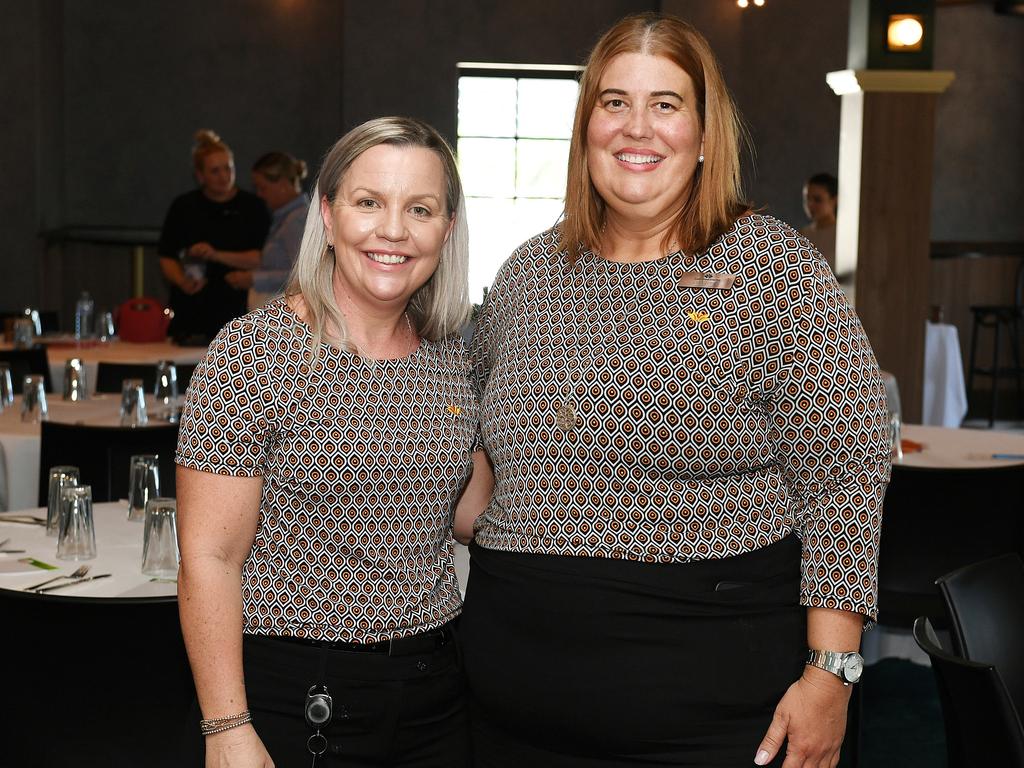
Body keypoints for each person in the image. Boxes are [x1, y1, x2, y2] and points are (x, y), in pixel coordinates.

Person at [462, 13, 890, 768]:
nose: (638, 128)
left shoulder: (774, 268)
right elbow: (481, 469)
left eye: (665, 104)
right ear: (586, 124)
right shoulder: (524, 275)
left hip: (714, 717)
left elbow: (845, 478)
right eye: (614, 102)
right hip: (513, 711)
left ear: (702, 133)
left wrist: (832, 674)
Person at [175, 116, 492, 768]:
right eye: (369, 202)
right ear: (328, 211)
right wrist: (226, 725)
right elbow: (208, 559)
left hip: (438, 691)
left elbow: (472, 515)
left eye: (420, 209)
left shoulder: (454, 358)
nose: (394, 230)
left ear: (447, 229)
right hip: (295, 696)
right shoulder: (252, 353)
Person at [158, 129, 270, 344]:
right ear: (200, 176)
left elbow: (259, 258)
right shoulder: (184, 207)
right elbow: (166, 255)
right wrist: (182, 280)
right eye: (215, 171)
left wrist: (215, 255)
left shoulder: (252, 206)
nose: (224, 176)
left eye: (228, 168)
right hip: (191, 310)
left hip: (237, 311)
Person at [224, 151, 311, 310]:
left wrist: (254, 278)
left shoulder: (297, 220)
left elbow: (303, 275)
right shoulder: (288, 217)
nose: (260, 194)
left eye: (262, 187)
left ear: (283, 184)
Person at [800, 172, 838, 275]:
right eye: (807, 199)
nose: (810, 205)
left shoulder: (843, 236)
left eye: (817, 200)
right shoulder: (802, 235)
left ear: (834, 200)